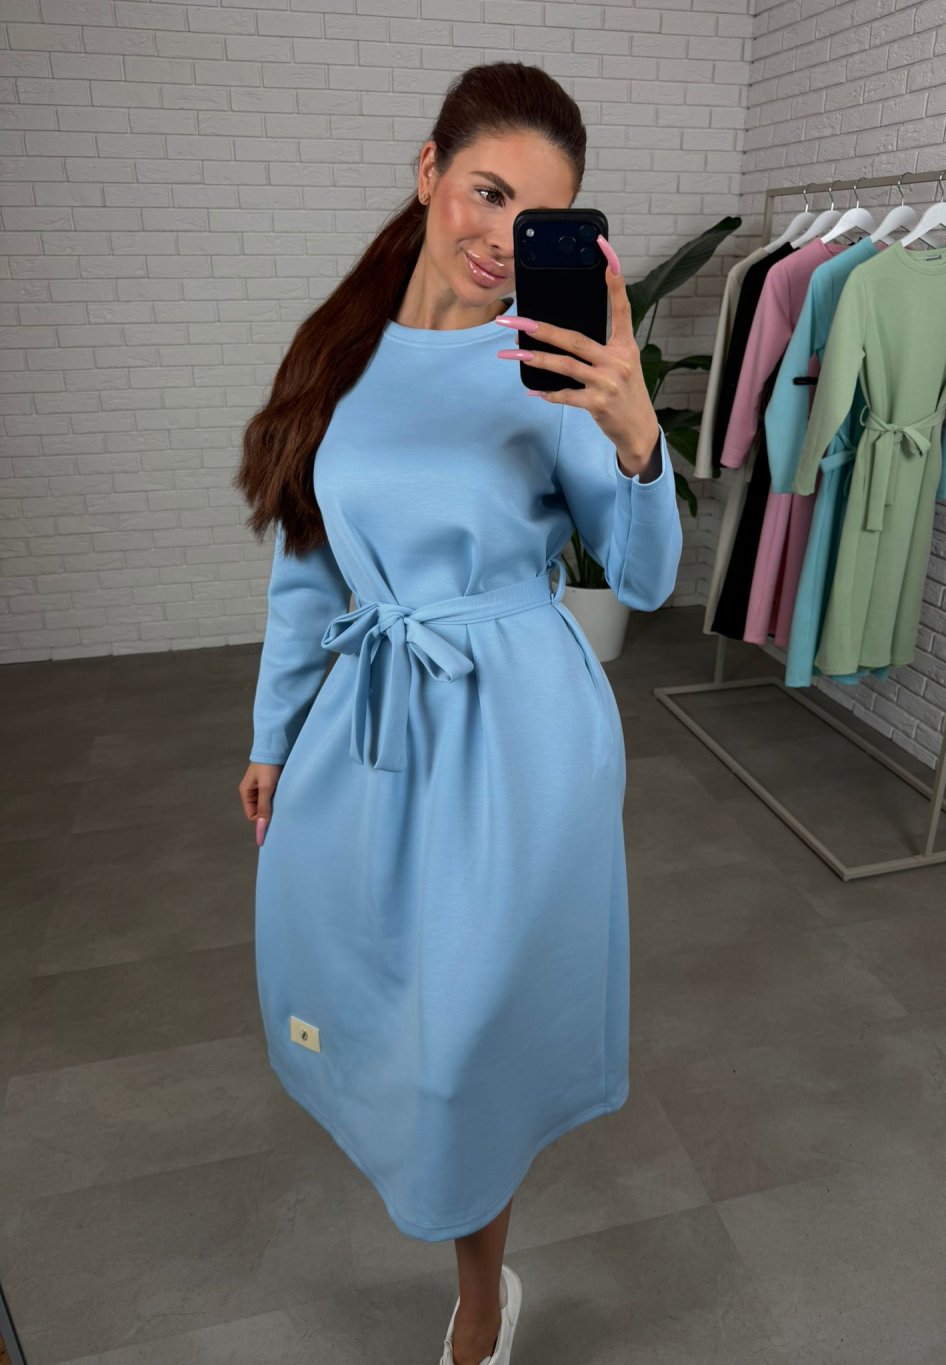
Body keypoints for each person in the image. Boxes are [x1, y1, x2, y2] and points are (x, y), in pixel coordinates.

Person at [235, 60, 682, 1365]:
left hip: (520, 740)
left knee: (470, 1035)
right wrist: (273, 734)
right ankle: (458, 1229)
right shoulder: (338, 354)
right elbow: (306, 573)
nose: (501, 236)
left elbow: (644, 575)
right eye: (488, 191)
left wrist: (636, 435)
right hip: (376, 727)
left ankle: (481, 1297)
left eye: (539, 214)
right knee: (382, 992)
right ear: (429, 169)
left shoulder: (548, 364)